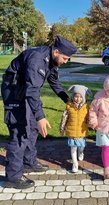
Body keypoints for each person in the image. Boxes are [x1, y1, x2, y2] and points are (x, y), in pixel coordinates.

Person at [1, 35, 77, 189]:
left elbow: (54, 82)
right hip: (13, 91)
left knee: (32, 128)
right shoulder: (37, 59)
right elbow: (32, 89)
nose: (65, 62)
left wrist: (68, 100)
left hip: (25, 90)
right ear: (56, 52)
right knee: (19, 131)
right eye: (65, 58)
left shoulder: (51, 61)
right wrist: (40, 116)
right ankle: (13, 176)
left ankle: (28, 161)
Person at [59, 85, 93, 173]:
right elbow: (64, 118)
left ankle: (81, 152)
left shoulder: (87, 107)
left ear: (84, 97)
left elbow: (89, 118)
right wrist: (62, 129)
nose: (78, 99)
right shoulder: (69, 106)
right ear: (73, 96)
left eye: (81, 96)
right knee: (73, 148)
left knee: (81, 147)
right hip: (72, 131)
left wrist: (92, 124)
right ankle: (75, 163)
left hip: (82, 131)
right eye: (76, 96)